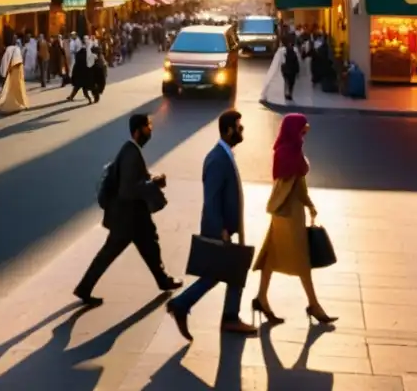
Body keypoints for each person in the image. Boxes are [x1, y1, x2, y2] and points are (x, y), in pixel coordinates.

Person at [73, 113, 182, 306]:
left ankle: (162, 280)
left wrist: (150, 181)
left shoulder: (130, 150)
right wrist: (154, 183)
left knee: (150, 245)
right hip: (127, 218)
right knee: (109, 253)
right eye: (148, 126)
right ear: (138, 130)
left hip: (135, 216)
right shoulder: (131, 153)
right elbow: (128, 189)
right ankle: (84, 288)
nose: (151, 129)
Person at [167, 110, 257, 339]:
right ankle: (184, 304)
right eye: (239, 127)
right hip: (219, 229)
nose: (242, 130)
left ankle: (228, 316)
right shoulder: (218, 159)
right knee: (223, 272)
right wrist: (221, 230)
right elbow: (211, 198)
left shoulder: (224, 154)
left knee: (231, 270)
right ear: (228, 130)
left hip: (225, 228)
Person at [252, 113, 337, 326]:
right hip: (290, 214)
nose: (304, 133)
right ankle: (314, 306)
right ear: (293, 130)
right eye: (301, 130)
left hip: (283, 213)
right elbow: (297, 185)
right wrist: (309, 204)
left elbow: (297, 181)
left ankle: (261, 298)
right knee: (302, 260)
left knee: (272, 256)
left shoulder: (286, 149)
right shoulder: (289, 152)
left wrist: (308, 204)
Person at [0, 43, 28, 115]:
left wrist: (3, 73)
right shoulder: (17, 48)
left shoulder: (9, 50)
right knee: (19, 87)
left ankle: (14, 104)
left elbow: (5, 62)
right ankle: (22, 103)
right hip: (19, 69)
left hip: (13, 70)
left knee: (12, 88)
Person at [67, 37, 94, 103]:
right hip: (85, 75)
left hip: (79, 74)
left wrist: (74, 73)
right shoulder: (88, 54)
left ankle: (72, 97)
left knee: (76, 87)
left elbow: (76, 64)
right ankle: (89, 99)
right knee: (84, 89)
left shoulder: (78, 54)